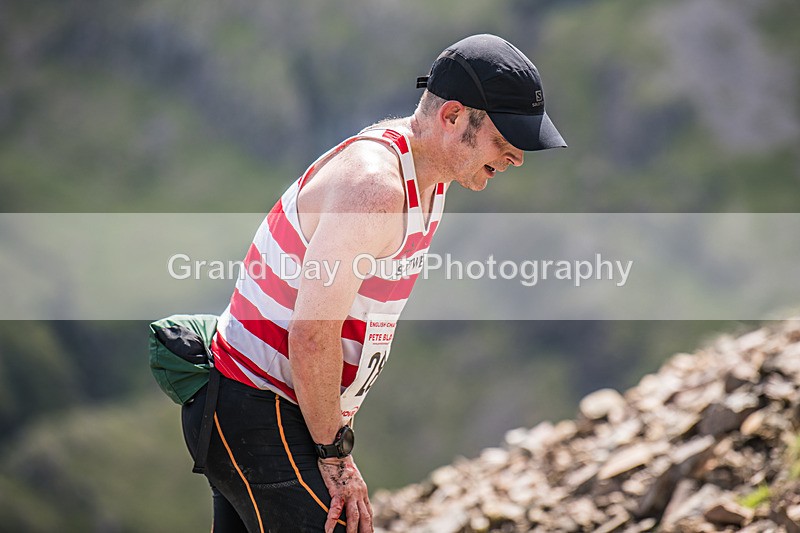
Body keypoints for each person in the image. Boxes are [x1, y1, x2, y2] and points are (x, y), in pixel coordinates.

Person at [181, 33, 566, 533]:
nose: (517, 157)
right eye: (505, 138)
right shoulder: (377, 188)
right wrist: (336, 459)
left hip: (269, 406)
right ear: (451, 117)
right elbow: (314, 333)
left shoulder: (429, 176)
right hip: (260, 403)